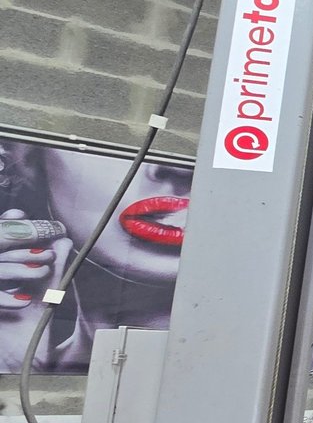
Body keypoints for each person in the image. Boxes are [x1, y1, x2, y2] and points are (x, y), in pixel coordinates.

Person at [0, 140, 188, 374]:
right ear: (28, 162)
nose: (182, 169)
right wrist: (11, 374)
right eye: (115, 132)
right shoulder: (21, 358)